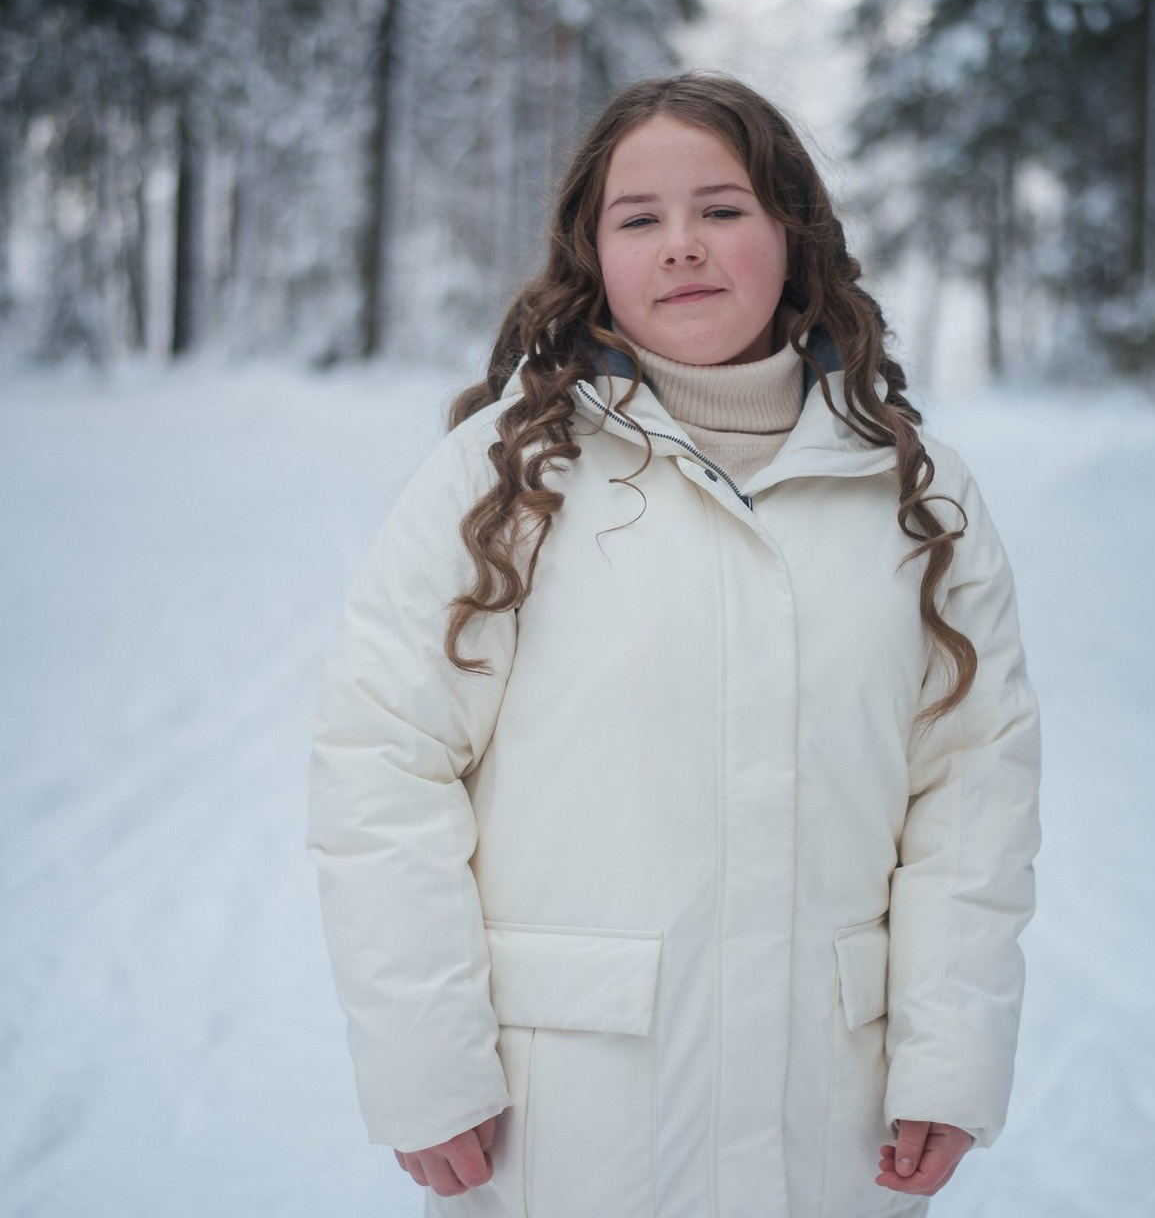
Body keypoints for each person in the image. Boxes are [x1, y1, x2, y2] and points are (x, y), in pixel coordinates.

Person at [307, 72, 1041, 1217]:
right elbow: (381, 763)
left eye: (722, 208)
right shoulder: (502, 480)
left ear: (792, 235)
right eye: (638, 219)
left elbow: (972, 794)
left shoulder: (917, 497)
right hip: (567, 1119)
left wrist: (949, 1054)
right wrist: (423, 1058)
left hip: (827, 1118)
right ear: (592, 255)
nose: (681, 245)